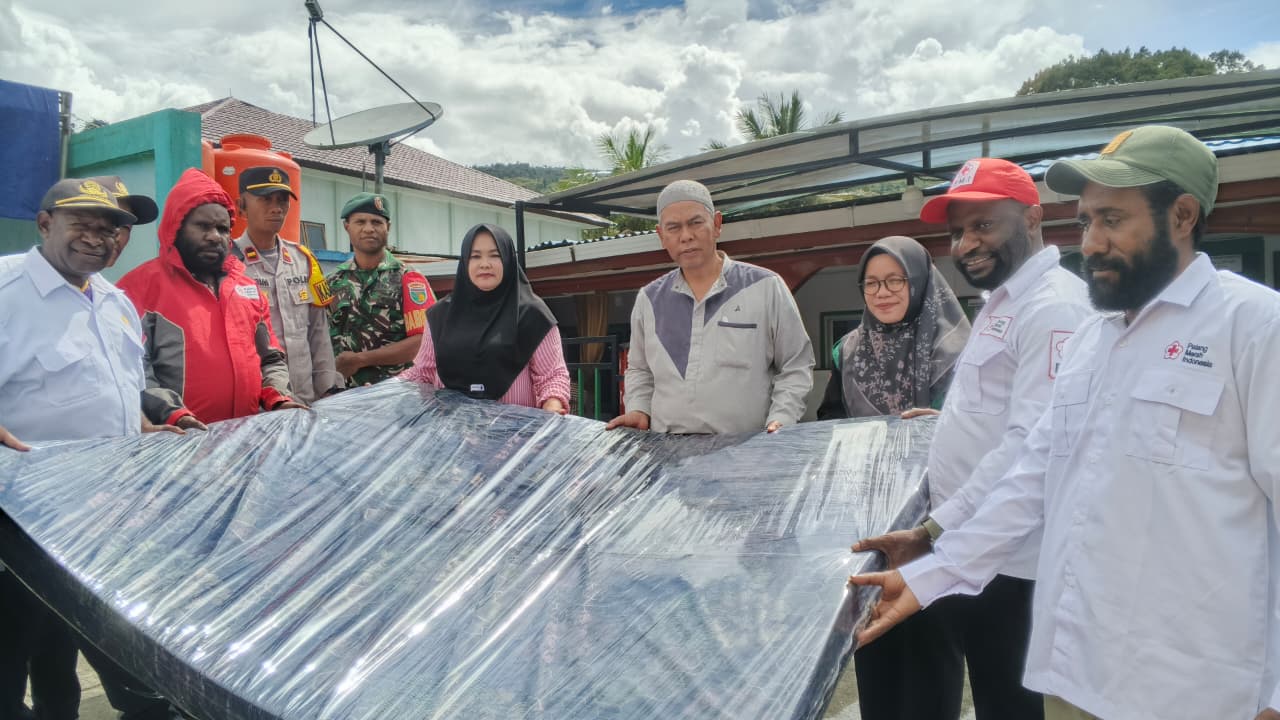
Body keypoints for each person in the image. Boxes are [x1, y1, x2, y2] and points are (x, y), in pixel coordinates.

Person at [851, 126, 1280, 720]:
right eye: (1085, 222)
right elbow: (1032, 477)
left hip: (1200, 688)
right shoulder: (1093, 340)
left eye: (1113, 220)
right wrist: (933, 571)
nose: (1092, 243)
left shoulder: (1253, 327)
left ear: (1182, 216)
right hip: (1081, 671)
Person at [847, 160, 1092, 719]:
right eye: (957, 232)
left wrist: (933, 529)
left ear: (1033, 218)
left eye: (983, 225)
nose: (966, 244)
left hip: (1015, 559)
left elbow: (1031, 446)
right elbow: (998, 417)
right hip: (974, 546)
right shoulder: (1004, 301)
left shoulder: (1052, 308)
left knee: (1011, 703)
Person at [0, 178, 182, 720]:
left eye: (111, 230)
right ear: (45, 223)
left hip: (95, 525)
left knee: (60, 662)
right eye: (82, 224)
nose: (98, 238)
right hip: (18, 528)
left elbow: (115, 391)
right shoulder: (6, 290)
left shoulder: (114, 301)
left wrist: (142, 430)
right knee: (8, 665)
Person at [606, 179, 813, 434]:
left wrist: (782, 417)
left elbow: (795, 364)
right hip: (668, 450)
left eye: (695, 223)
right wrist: (639, 409)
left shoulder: (766, 287)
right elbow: (640, 369)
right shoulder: (649, 299)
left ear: (716, 224)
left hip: (747, 448)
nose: (686, 236)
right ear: (661, 236)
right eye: (674, 227)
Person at [118, 168, 304, 424]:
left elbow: (271, 357)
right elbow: (133, 367)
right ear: (177, 227)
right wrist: (172, 414)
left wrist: (278, 396)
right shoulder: (139, 288)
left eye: (223, 229)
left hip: (247, 434)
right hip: (177, 438)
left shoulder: (247, 288)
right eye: (203, 226)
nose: (215, 237)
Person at [400, 223, 570, 412]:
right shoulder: (440, 315)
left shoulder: (533, 314)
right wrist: (385, 391)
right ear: (465, 262)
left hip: (515, 429)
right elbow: (423, 373)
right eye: (475, 256)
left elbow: (552, 376)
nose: (485, 264)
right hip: (450, 428)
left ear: (508, 259)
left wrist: (552, 405)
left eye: (495, 255)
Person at [816, 235, 969, 420]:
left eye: (895, 280)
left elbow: (984, 421)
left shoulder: (959, 352)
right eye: (871, 283)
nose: (882, 293)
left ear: (919, 283)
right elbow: (830, 418)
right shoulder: (847, 351)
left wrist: (944, 422)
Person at [230, 166, 342, 404]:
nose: (276, 208)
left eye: (282, 200)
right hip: (258, 406)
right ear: (241, 207)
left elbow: (318, 332)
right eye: (265, 199)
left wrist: (328, 388)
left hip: (306, 400)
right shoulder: (228, 263)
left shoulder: (305, 260)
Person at [327, 192, 436, 387]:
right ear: (347, 226)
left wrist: (360, 360)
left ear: (388, 227)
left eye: (376, 222)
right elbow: (319, 339)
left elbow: (423, 341)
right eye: (360, 222)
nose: (369, 229)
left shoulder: (409, 278)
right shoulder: (333, 281)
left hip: (396, 393)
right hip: (343, 394)